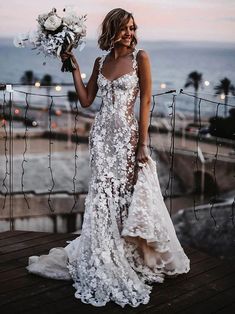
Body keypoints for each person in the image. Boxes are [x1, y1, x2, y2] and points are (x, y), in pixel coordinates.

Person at [26, 8, 190, 308]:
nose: (129, 32)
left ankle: (127, 252)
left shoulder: (141, 57)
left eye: (132, 27)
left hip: (126, 138)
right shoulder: (101, 61)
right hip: (101, 137)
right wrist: (74, 68)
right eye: (124, 28)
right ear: (112, 29)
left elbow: (147, 101)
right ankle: (102, 249)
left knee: (125, 194)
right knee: (102, 196)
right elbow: (87, 100)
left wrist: (143, 143)